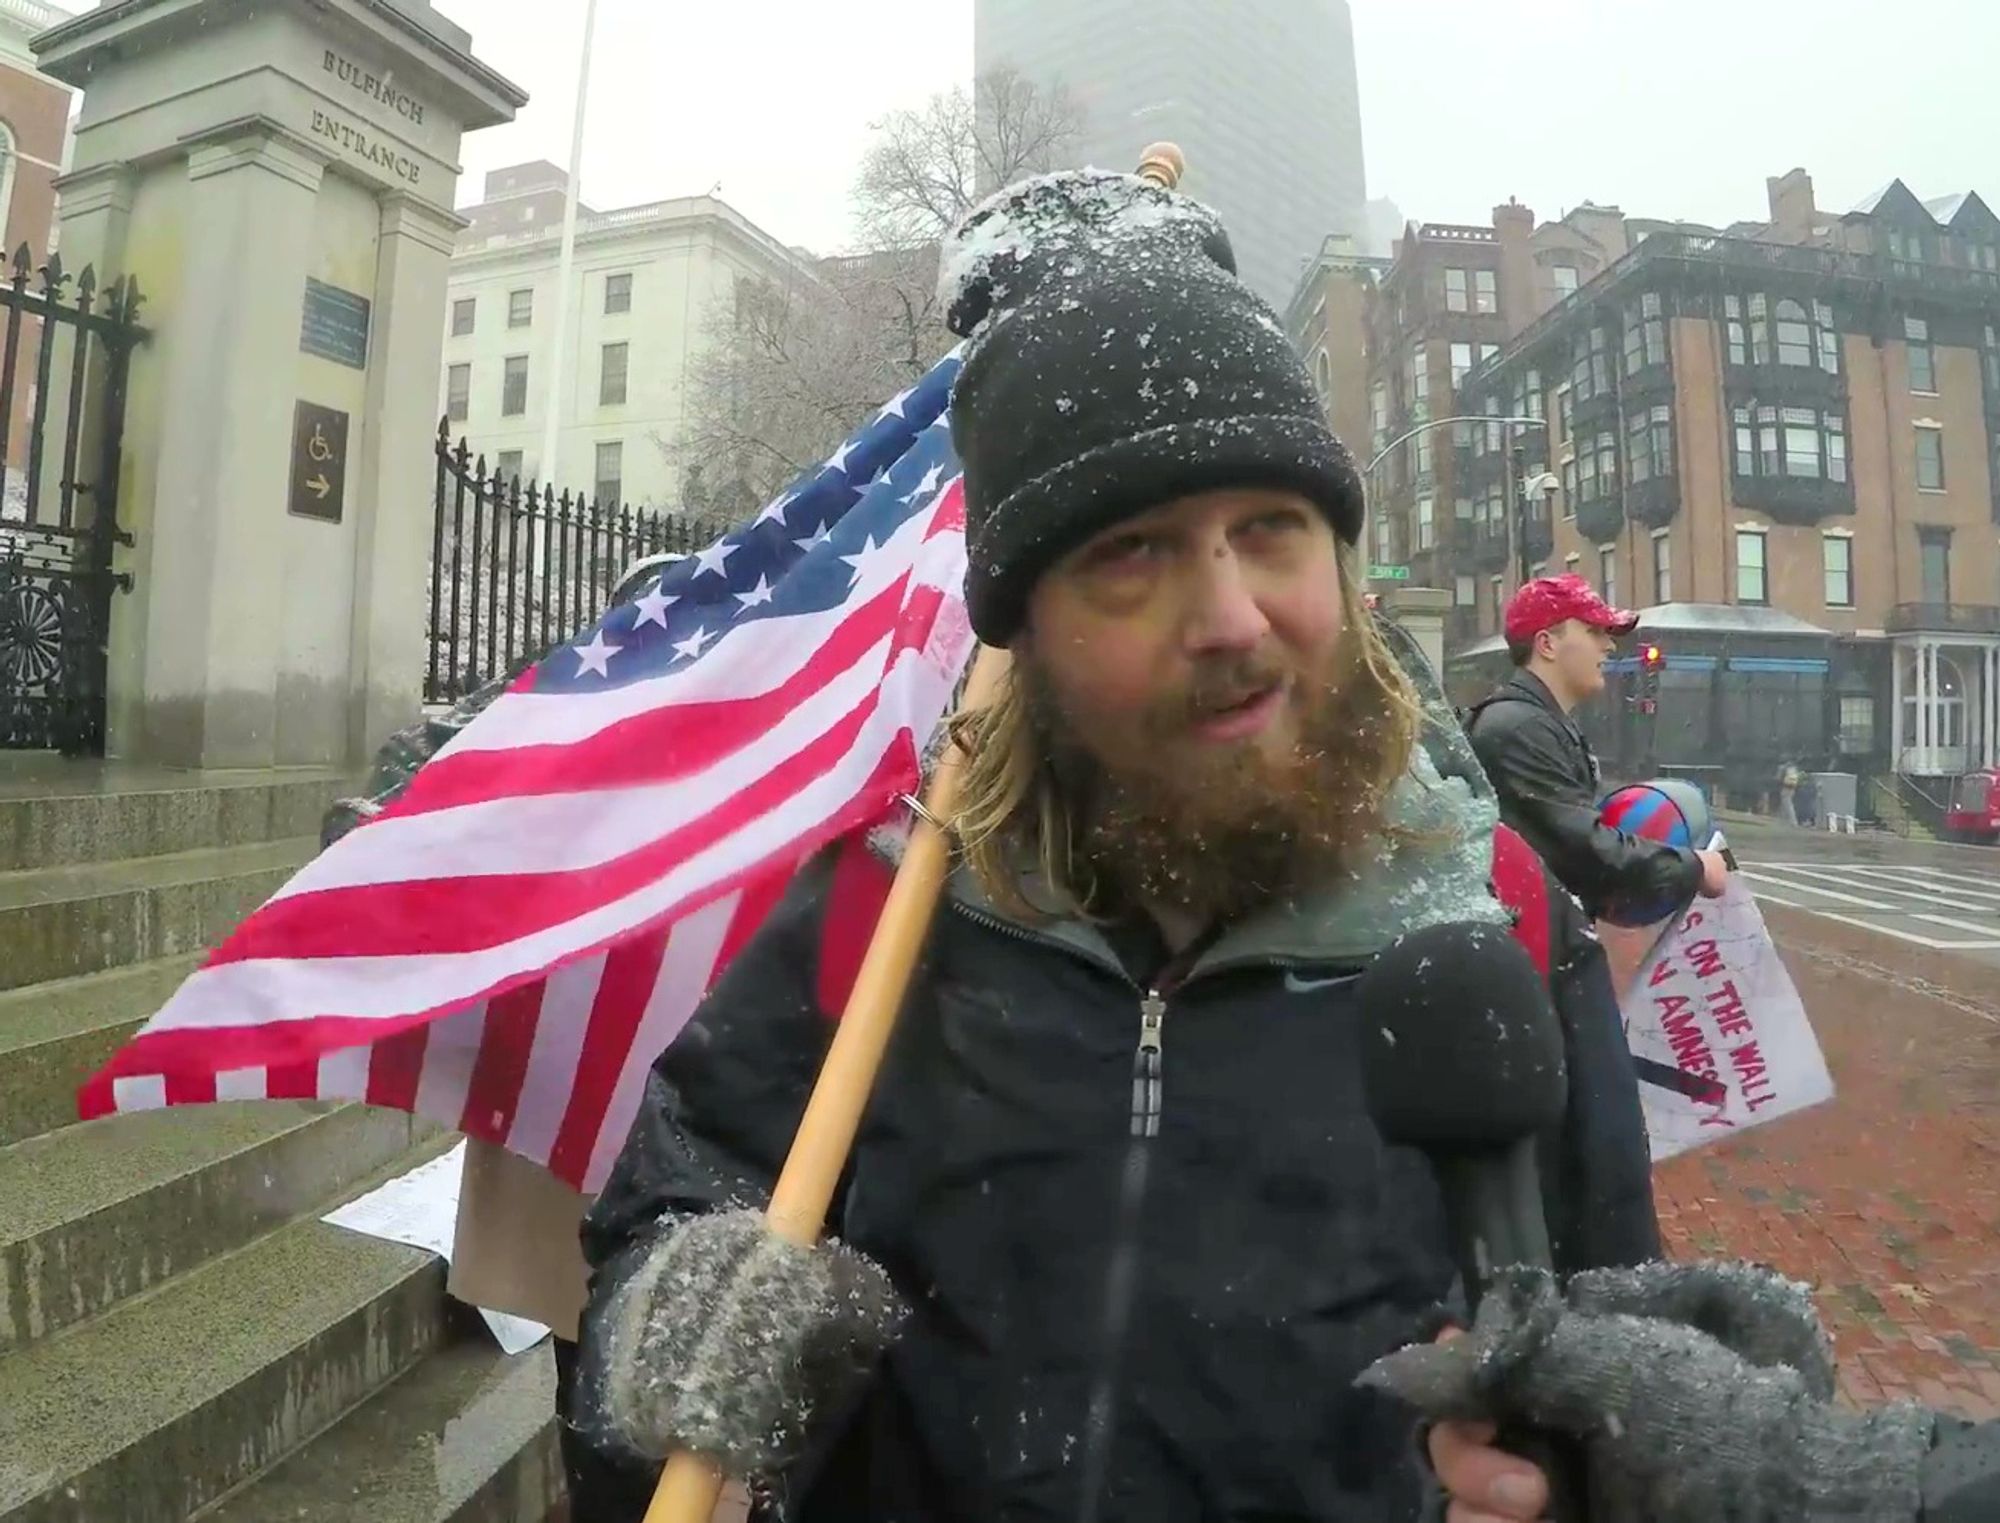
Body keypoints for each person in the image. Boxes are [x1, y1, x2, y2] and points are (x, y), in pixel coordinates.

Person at [560, 169, 1657, 1523]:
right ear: (1025, 630)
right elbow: (676, 1194)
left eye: (1271, 530)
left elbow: (1610, 1320)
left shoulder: (1496, 923)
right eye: (1134, 551)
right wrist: (673, 1332)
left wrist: (1616, 1463)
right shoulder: (891, 902)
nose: (1232, 615)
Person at [1465, 575, 1728, 922]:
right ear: (1547, 644)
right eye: (1593, 631)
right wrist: (1693, 867)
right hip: (1528, 944)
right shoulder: (1520, 727)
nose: (1609, 646)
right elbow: (1585, 850)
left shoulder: (1537, 721)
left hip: (1541, 935)